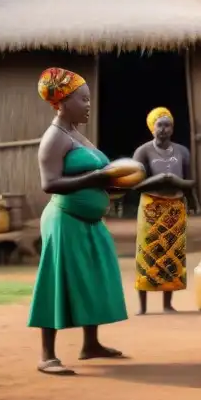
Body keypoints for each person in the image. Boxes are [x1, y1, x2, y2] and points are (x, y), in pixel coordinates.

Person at [28, 68, 128, 375]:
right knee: (56, 279)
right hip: (64, 219)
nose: (88, 105)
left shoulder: (75, 133)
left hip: (87, 220)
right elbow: (50, 183)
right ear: (62, 101)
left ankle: (91, 344)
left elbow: (92, 173)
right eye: (83, 99)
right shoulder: (54, 138)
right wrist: (97, 177)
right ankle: (47, 355)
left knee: (94, 276)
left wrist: (114, 181)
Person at [130, 107, 197, 315]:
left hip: (175, 208)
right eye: (160, 124)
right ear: (152, 127)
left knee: (171, 255)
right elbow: (134, 184)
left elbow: (191, 181)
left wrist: (185, 191)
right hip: (151, 207)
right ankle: (143, 306)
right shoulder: (143, 152)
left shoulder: (182, 151)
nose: (164, 129)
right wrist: (159, 180)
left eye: (168, 125)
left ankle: (168, 304)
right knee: (148, 254)